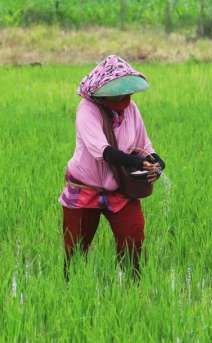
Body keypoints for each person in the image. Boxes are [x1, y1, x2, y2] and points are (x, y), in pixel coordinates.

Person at [59, 55, 165, 278]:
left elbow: (143, 143)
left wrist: (156, 160)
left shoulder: (131, 109)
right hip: (85, 189)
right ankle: (71, 291)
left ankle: (132, 293)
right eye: (118, 92)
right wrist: (136, 162)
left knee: (133, 241)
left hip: (119, 189)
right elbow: (102, 151)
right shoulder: (87, 109)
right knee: (76, 252)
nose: (124, 97)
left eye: (126, 92)